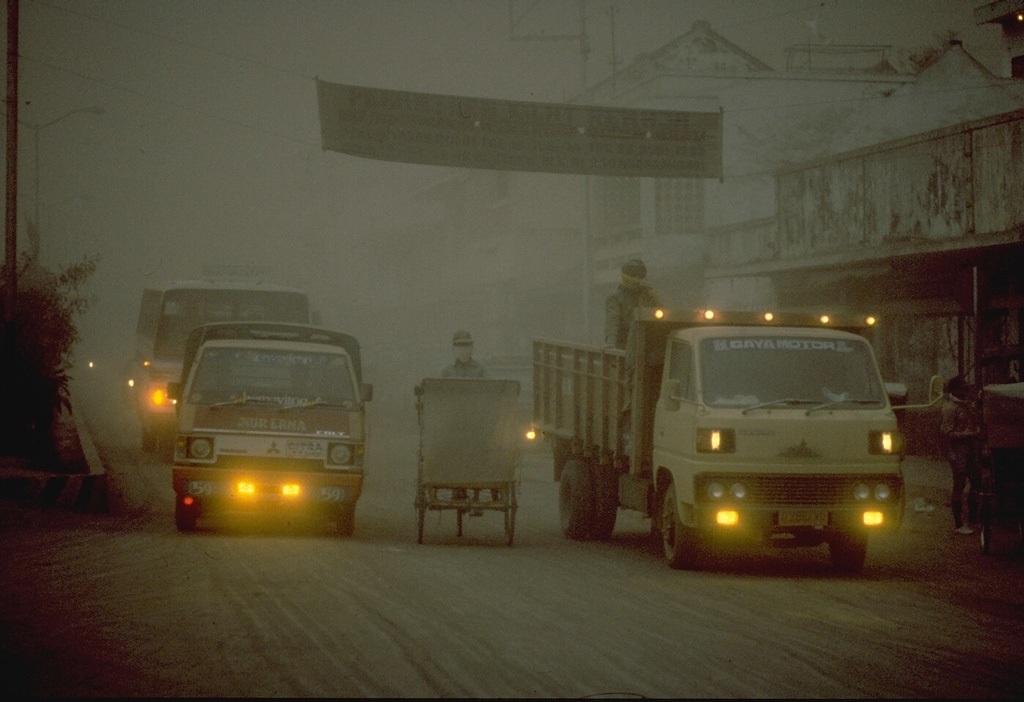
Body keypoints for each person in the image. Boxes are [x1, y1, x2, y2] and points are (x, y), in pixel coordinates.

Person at [940, 375, 983, 534]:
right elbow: (947, 433)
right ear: (955, 390)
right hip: (958, 452)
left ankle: (973, 518)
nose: (967, 391)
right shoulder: (951, 408)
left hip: (971, 450)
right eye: (963, 388)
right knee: (959, 484)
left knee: (976, 482)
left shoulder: (968, 406)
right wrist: (970, 435)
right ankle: (958, 523)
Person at [605, 258, 659, 350]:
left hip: (648, 346)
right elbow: (613, 321)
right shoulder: (615, 298)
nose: (637, 280)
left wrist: (653, 297)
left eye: (640, 277)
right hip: (624, 347)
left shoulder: (648, 295)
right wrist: (611, 343)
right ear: (625, 277)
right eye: (634, 276)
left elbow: (662, 316)